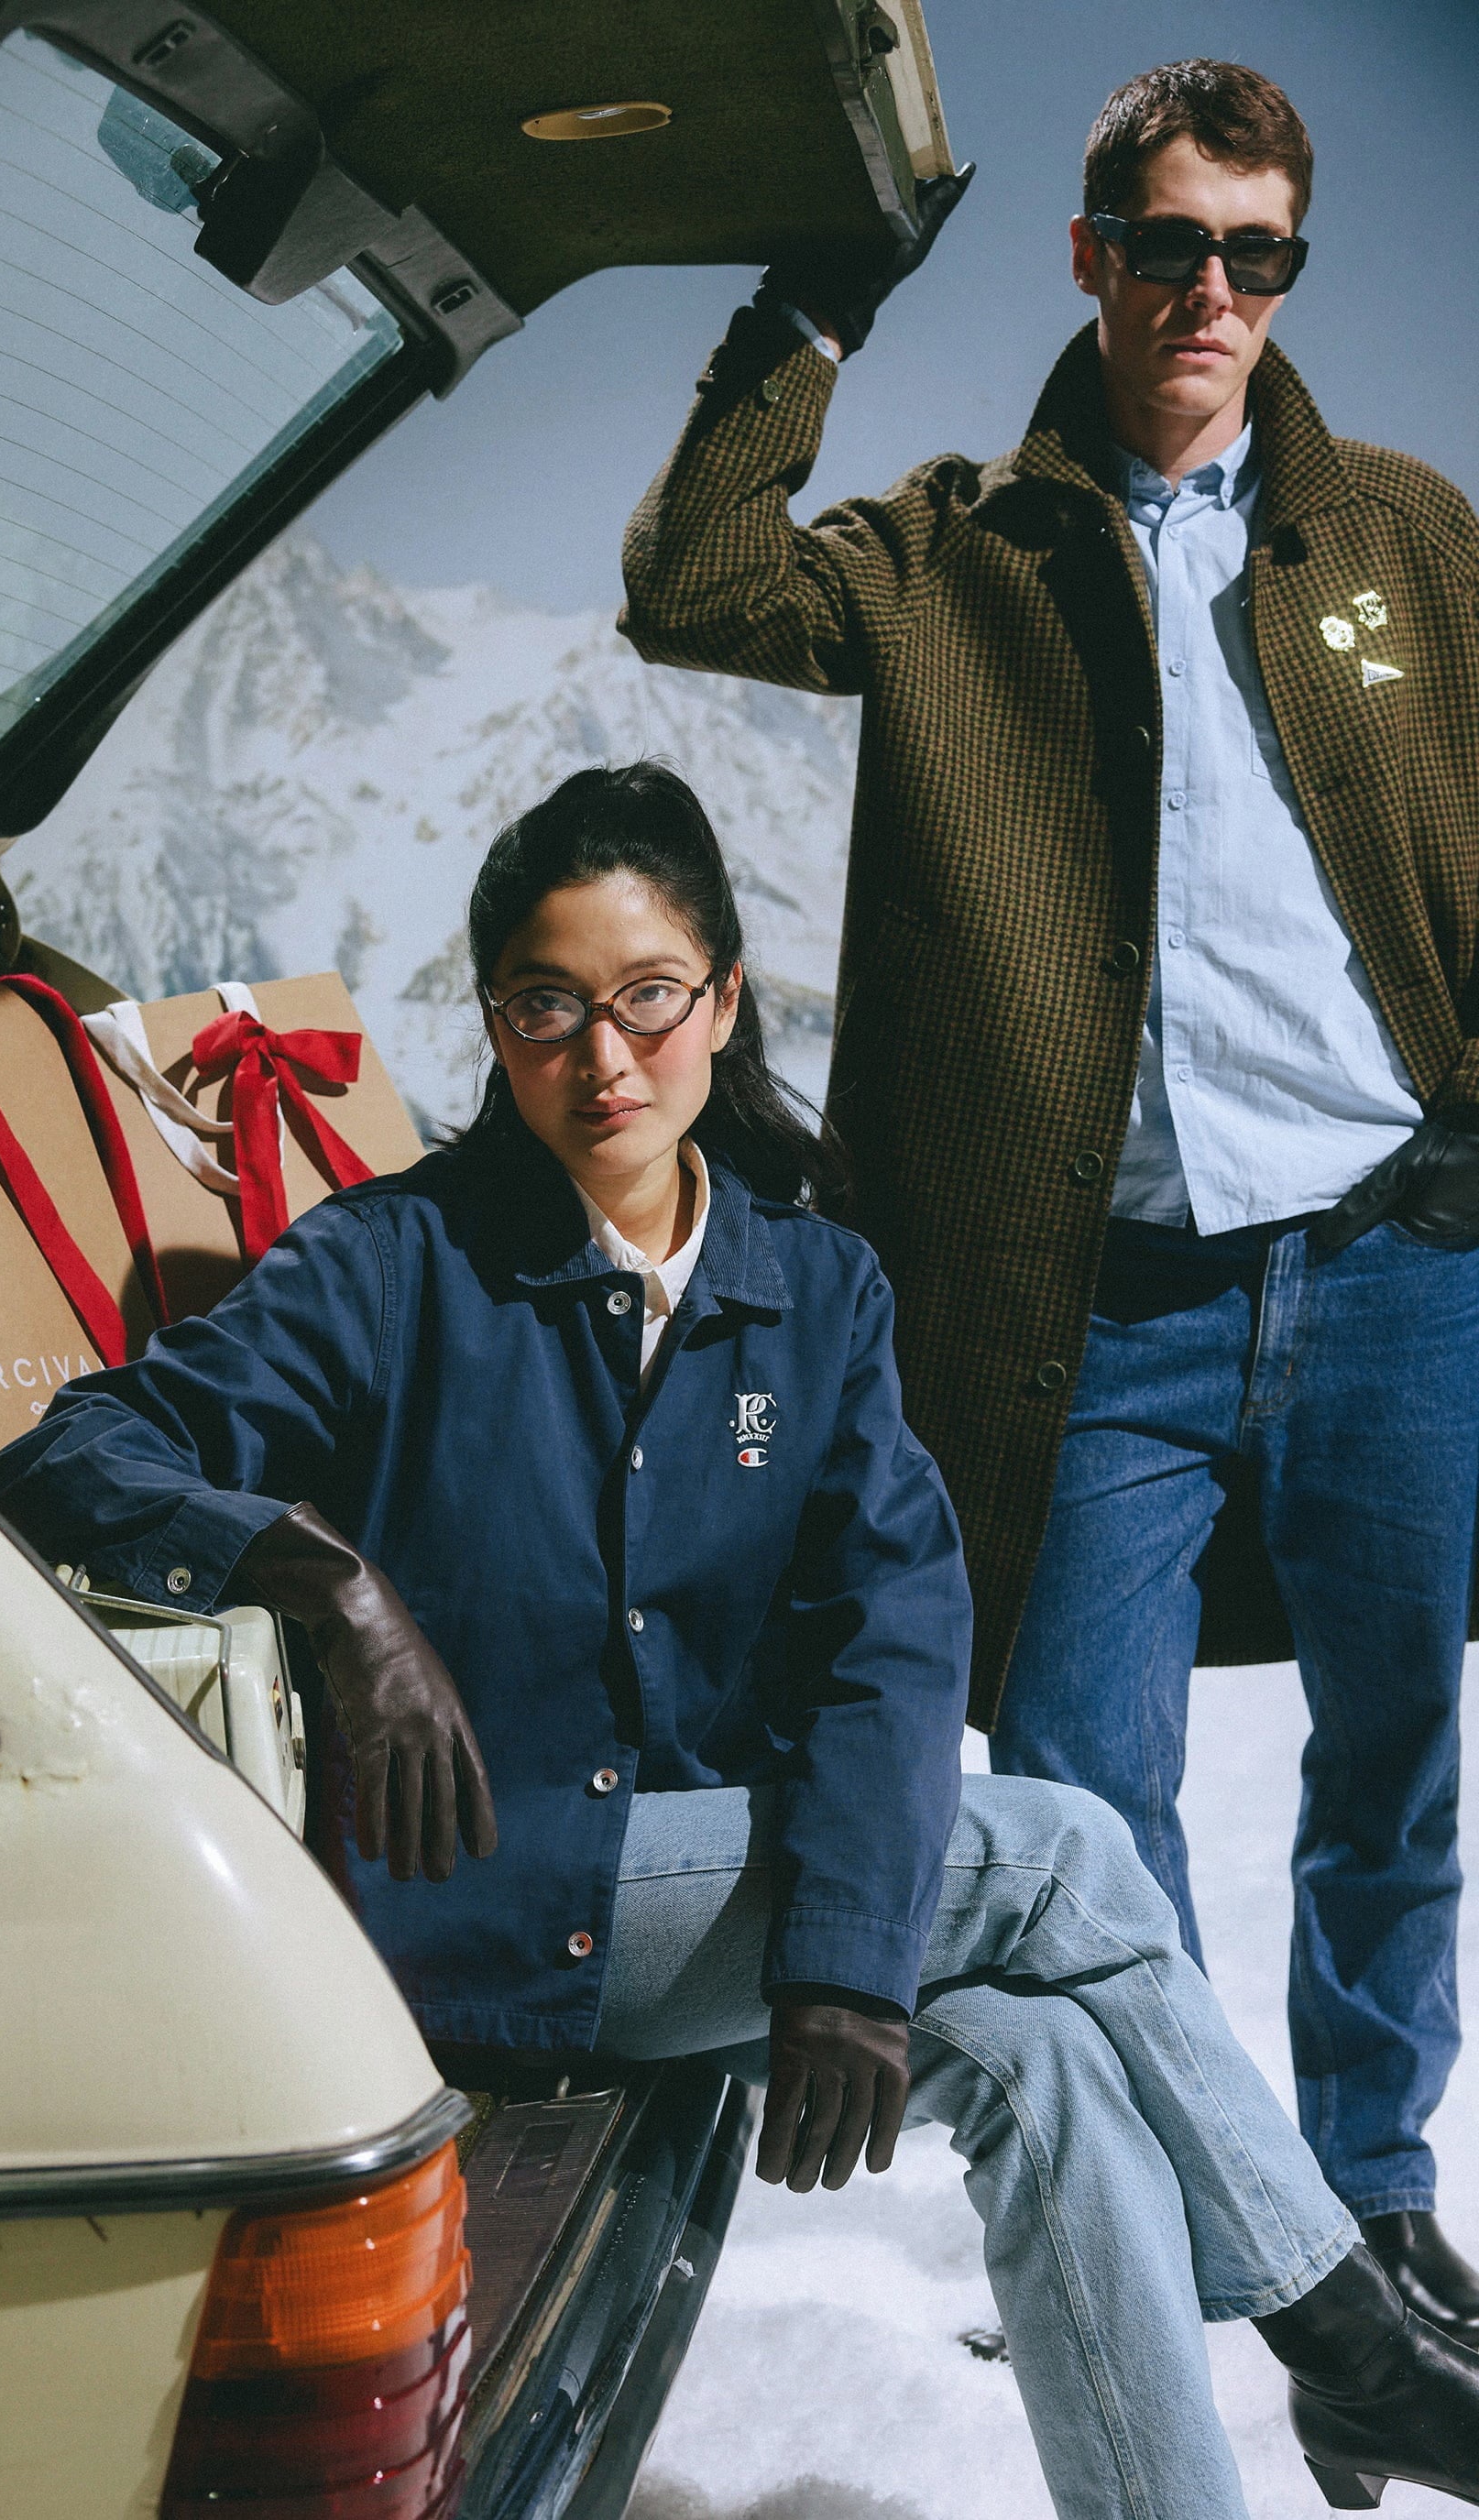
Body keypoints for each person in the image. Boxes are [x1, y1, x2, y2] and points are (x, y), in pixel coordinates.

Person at [0, 762, 1479, 2518]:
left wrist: (844, 1953)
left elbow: (896, 1636)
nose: (602, 1058)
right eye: (545, 1006)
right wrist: (330, 1585)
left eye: (646, 998)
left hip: (704, 1910)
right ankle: (1354, 2344)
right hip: (482, 1900)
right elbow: (70, 1454)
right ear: (495, 1022)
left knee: (1060, 2063)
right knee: (1067, 1857)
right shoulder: (394, 1264)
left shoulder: (812, 1288)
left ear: (722, 1000)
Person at [619, 58, 1479, 2334]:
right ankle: (1214, 2219)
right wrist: (811, 312)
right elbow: (690, 579)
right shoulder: (948, 551)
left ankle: (1375, 2191)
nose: (1214, 294)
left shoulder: (1405, 541)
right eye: (1172, 245)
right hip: (1092, 1303)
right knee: (1088, 1797)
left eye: (1258, 255)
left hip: (1393, 1257)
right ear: (1091, 256)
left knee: (1392, 1763)